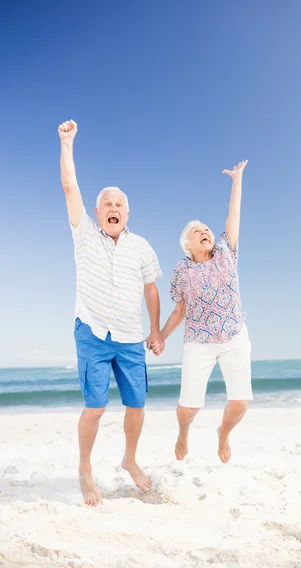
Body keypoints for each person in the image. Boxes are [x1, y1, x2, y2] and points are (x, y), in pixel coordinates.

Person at [58, 119, 164, 506]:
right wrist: (67, 144)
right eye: (108, 204)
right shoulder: (84, 233)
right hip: (92, 331)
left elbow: (151, 288)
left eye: (120, 204)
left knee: (137, 404)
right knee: (96, 405)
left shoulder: (141, 247)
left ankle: (129, 459)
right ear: (98, 211)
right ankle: (85, 469)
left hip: (131, 335)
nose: (113, 209)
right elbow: (70, 185)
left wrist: (156, 331)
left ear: (128, 212)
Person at [152, 160, 253, 464]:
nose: (205, 232)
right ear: (188, 244)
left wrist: (237, 180)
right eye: (198, 231)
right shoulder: (182, 270)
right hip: (199, 341)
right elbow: (179, 309)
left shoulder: (226, 252)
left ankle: (223, 433)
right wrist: (160, 335)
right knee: (188, 409)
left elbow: (233, 215)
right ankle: (184, 432)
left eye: (206, 229)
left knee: (240, 405)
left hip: (235, 335)